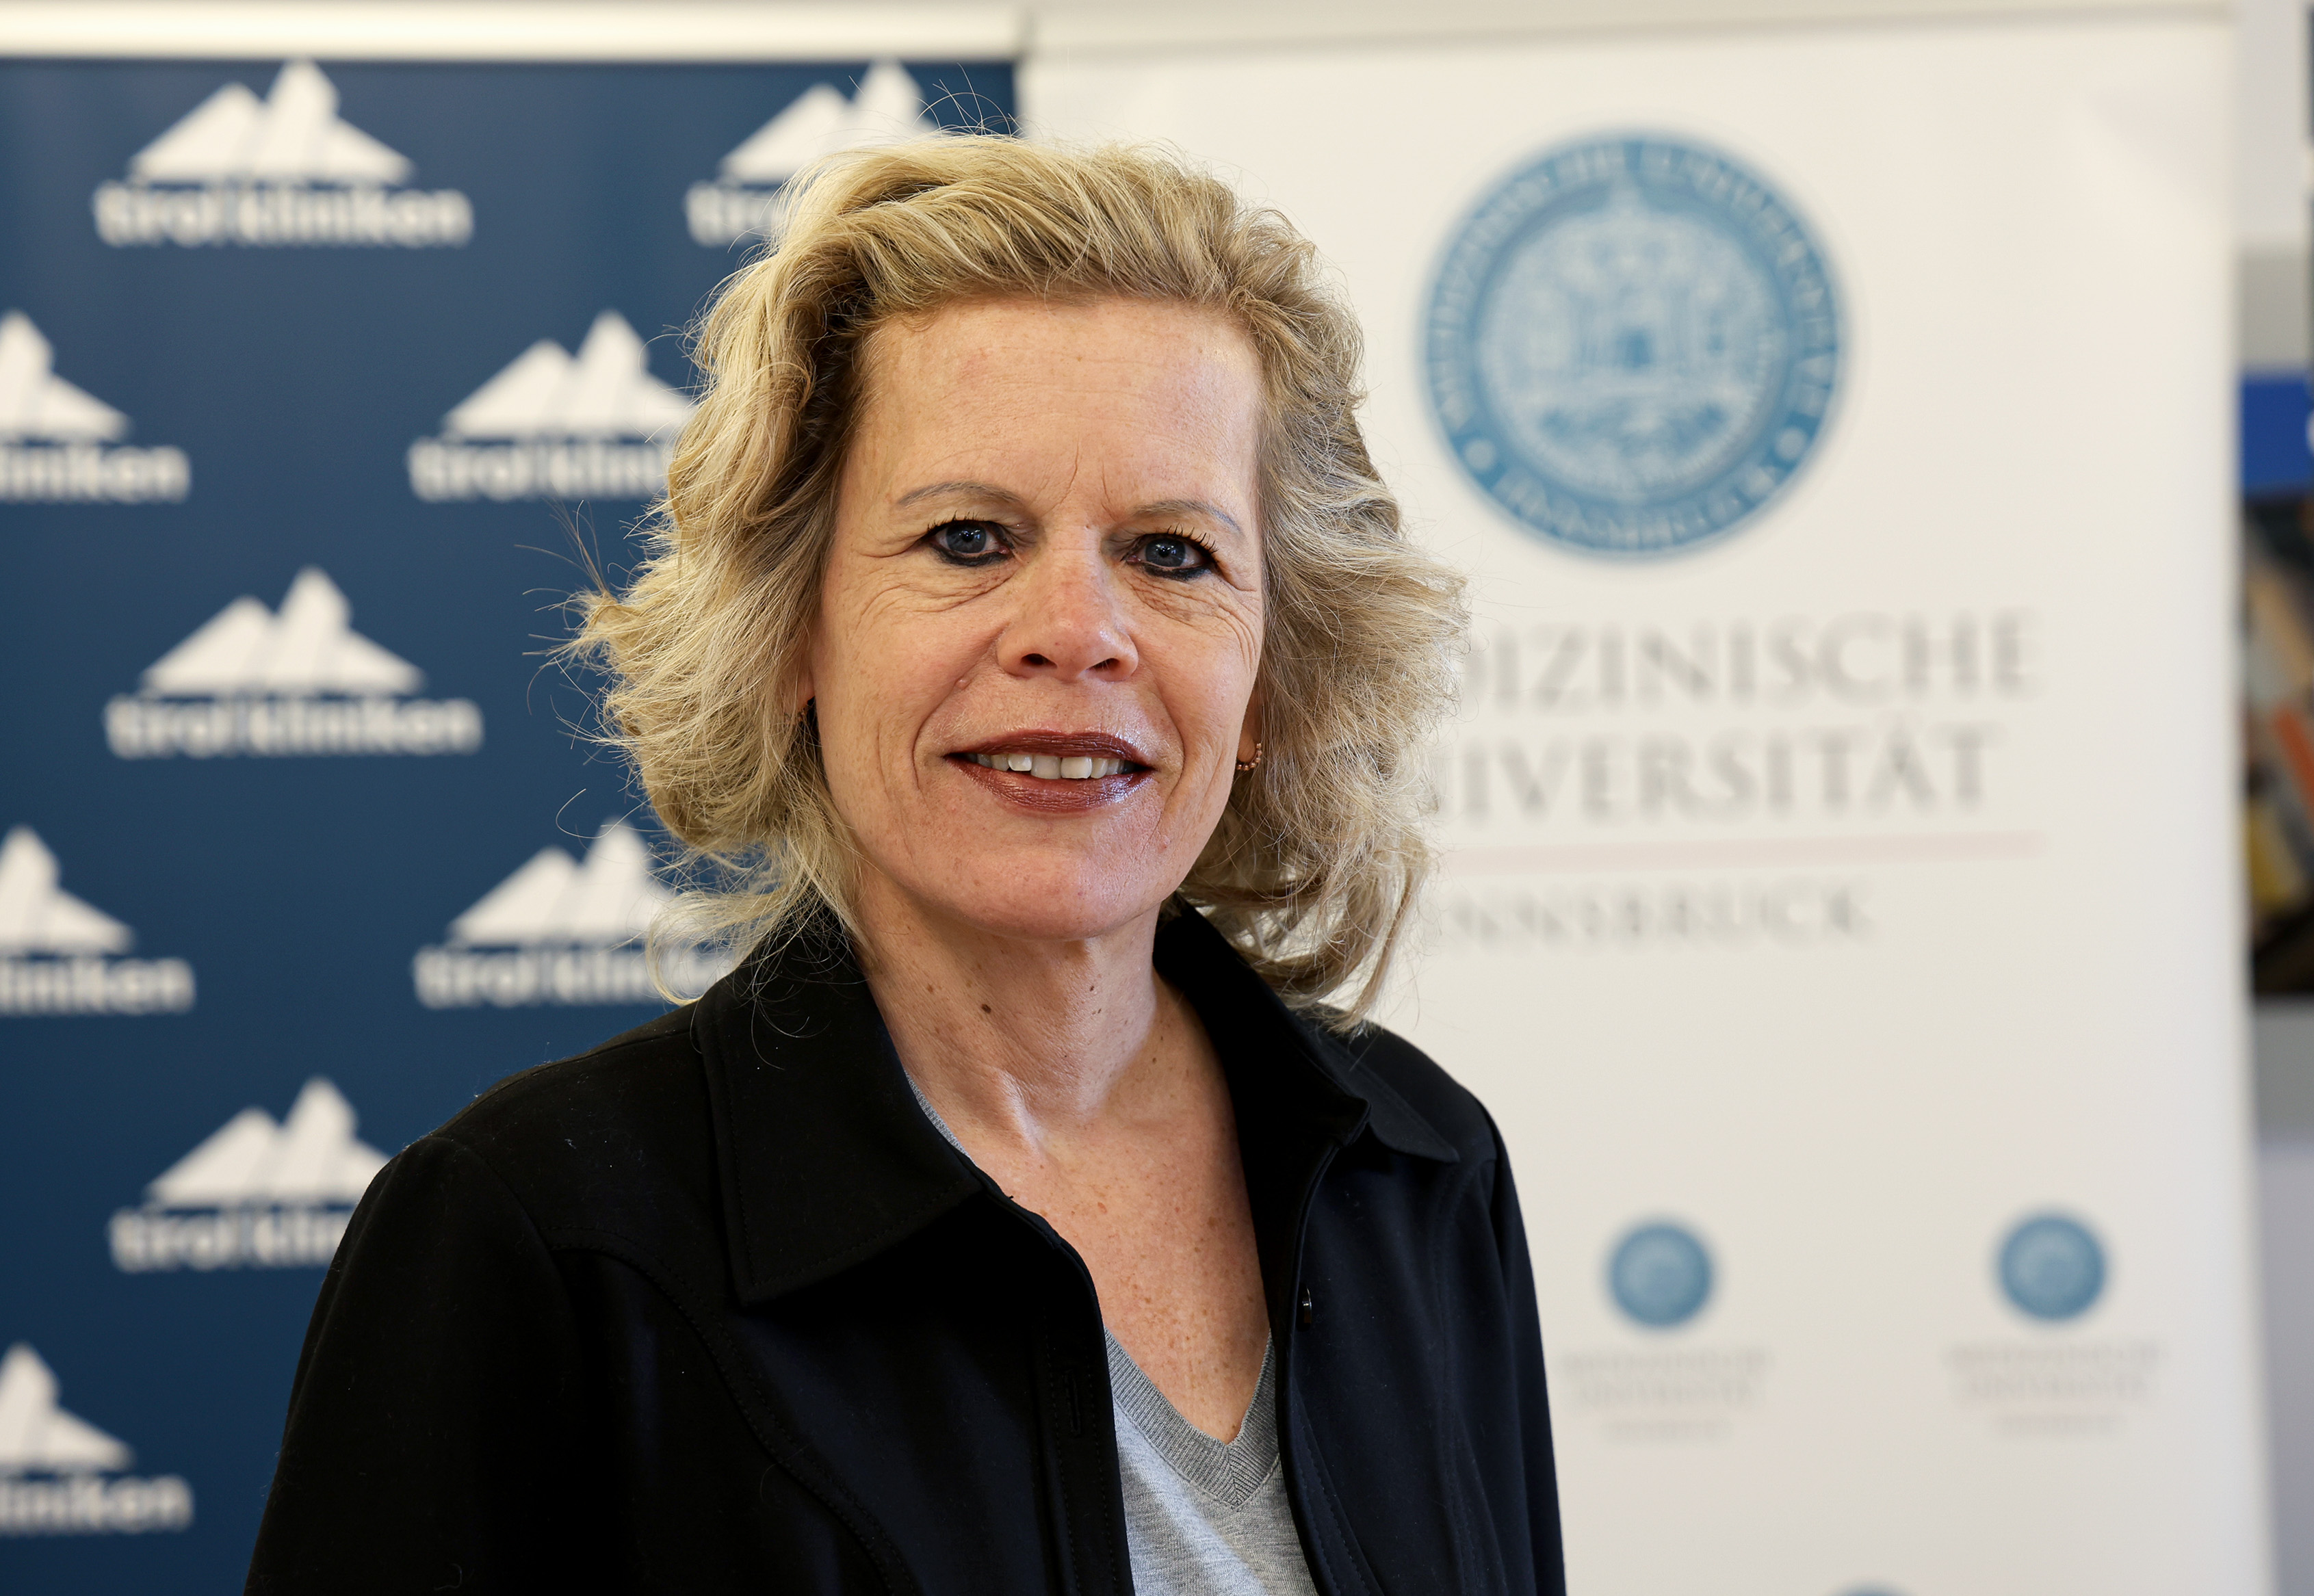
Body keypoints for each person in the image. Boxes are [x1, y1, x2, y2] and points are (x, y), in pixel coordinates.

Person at [246, 136, 1561, 1596]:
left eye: (1172, 554)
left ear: (1271, 678)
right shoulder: (538, 1241)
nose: (1077, 632)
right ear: (793, 637)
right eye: (967, 538)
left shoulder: (1420, 1172)